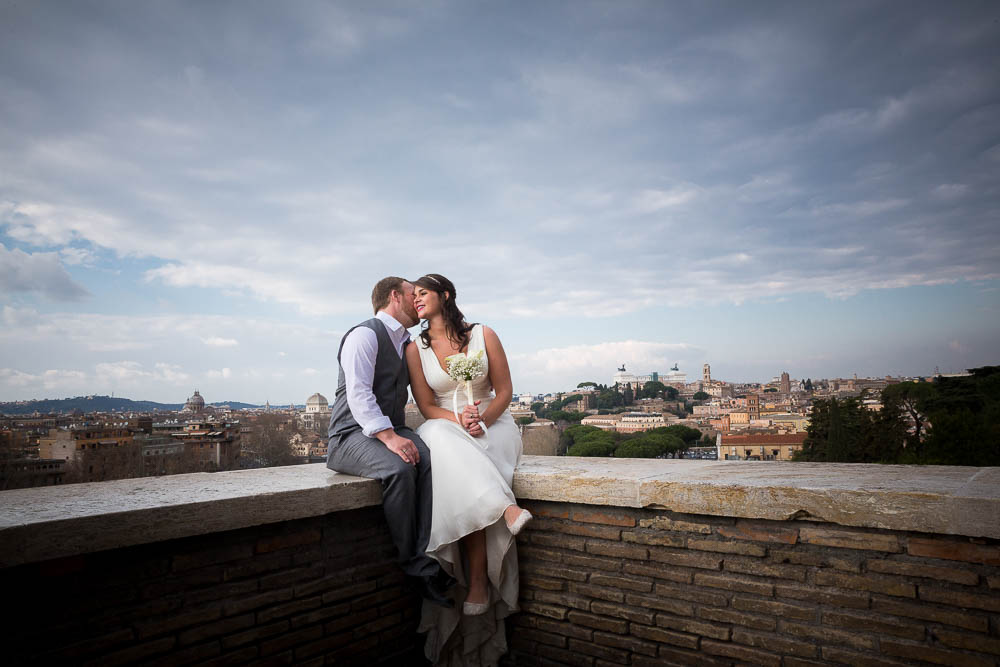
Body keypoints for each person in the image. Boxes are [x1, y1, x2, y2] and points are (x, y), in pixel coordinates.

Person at [405, 273, 532, 666]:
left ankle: (479, 583)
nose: (417, 300)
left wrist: (482, 418)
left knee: (465, 466)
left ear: (445, 295)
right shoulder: (415, 349)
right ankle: (504, 511)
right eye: (413, 296)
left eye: (423, 292)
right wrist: (460, 421)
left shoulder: (483, 334)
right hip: (446, 422)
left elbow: (505, 390)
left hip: (494, 425)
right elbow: (427, 407)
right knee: (441, 439)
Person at [326, 276, 455, 608]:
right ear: (396, 296)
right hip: (349, 437)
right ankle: (416, 567)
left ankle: (430, 555)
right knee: (399, 469)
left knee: (433, 459)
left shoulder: (406, 343)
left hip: (390, 432)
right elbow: (358, 393)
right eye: (416, 294)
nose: (420, 300)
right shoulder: (365, 335)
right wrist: (389, 437)